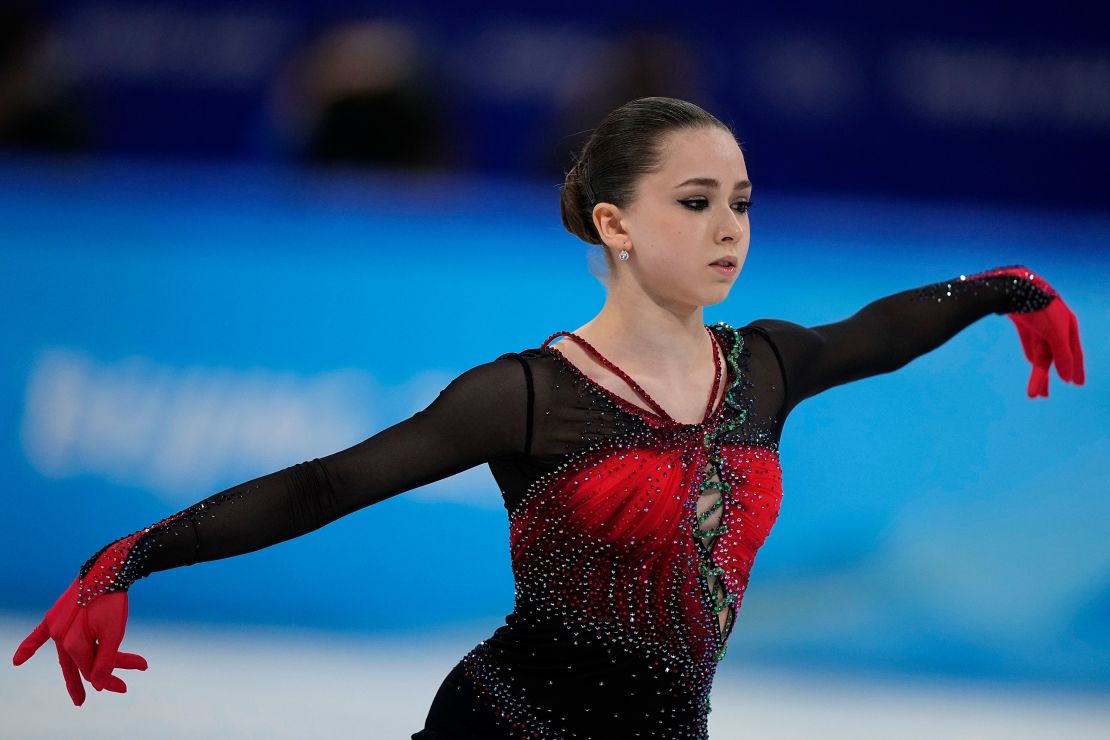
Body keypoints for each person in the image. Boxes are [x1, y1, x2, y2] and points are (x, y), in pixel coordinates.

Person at [12, 97, 1086, 739]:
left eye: (743, 201)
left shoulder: (765, 365)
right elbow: (330, 481)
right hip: (509, 726)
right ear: (614, 221)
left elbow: (883, 326)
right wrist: (132, 555)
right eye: (696, 200)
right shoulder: (527, 392)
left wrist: (1003, 287)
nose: (729, 228)